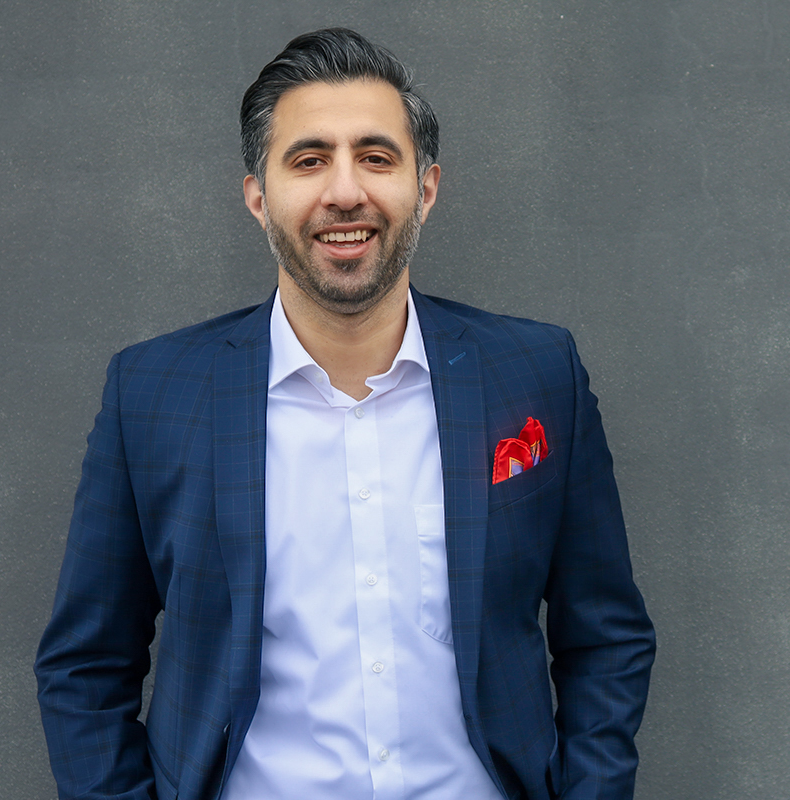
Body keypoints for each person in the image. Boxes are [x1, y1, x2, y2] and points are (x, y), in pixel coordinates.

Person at [35, 28, 655, 800]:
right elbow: (85, 666)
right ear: (258, 196)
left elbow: (605, 637)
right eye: (308, 160)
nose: (344, 191)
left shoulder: (535, 376)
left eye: (376, 157)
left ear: (425, 188)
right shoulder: (152, 395)